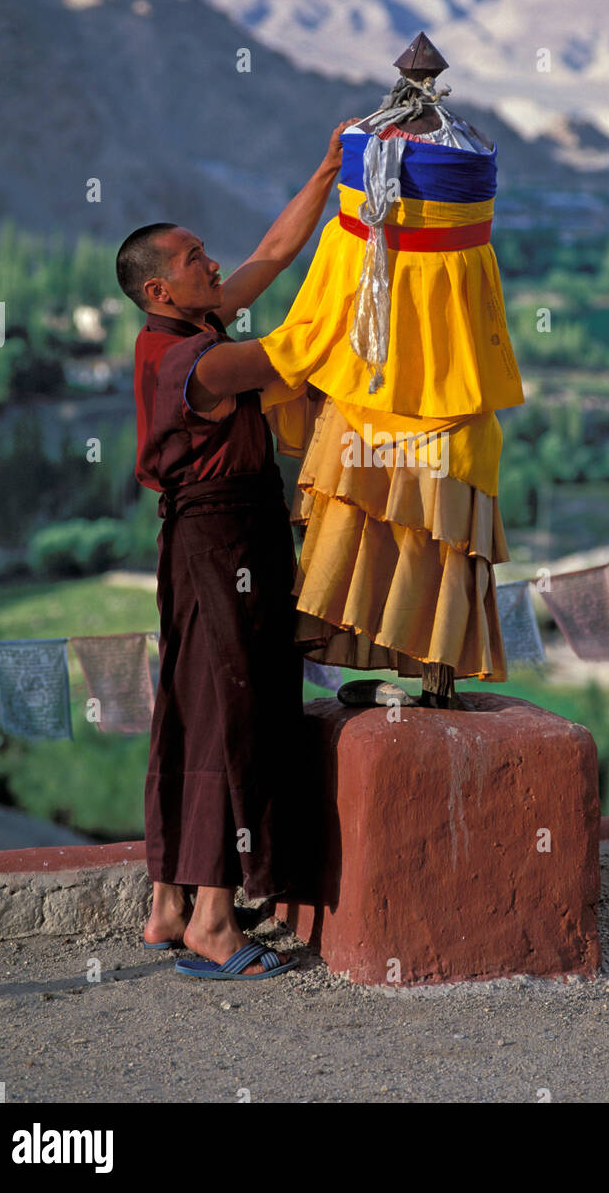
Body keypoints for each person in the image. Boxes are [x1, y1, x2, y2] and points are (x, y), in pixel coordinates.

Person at [115, 121, 355, 980]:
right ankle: (215, 922)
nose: (212, 265)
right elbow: (301, 351)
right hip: (225, 550)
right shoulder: (197, 365)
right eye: (193, 261)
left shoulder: (190, 330)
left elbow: (274, 248)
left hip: (203, 547)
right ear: (159, 293)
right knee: (230, 713)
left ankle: (168, 905)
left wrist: (331, 171)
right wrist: (366, 256)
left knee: (189, 707)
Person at [257, 34, 524, 710]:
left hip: (362, 386)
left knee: (371, 531)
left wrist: (299, 351)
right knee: (438, 539)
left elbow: (338, 277)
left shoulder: (364, 231)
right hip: (447, 399)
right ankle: (429, 682)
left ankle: (416, 680)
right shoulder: (456, 167)